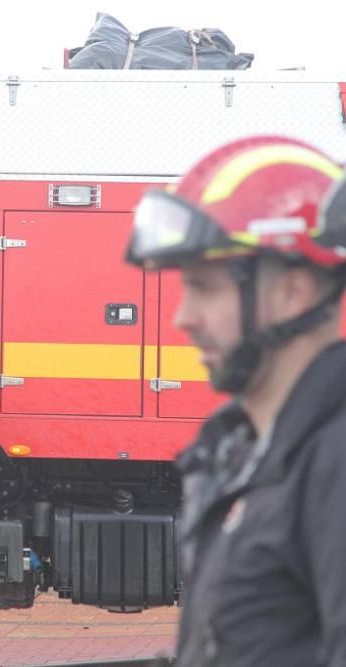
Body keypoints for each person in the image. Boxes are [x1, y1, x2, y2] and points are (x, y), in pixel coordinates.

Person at [124, 135, 346, 667]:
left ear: (291, 291)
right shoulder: (237, 449)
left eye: (205, 287)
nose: (183, 318)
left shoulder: (334, 462)